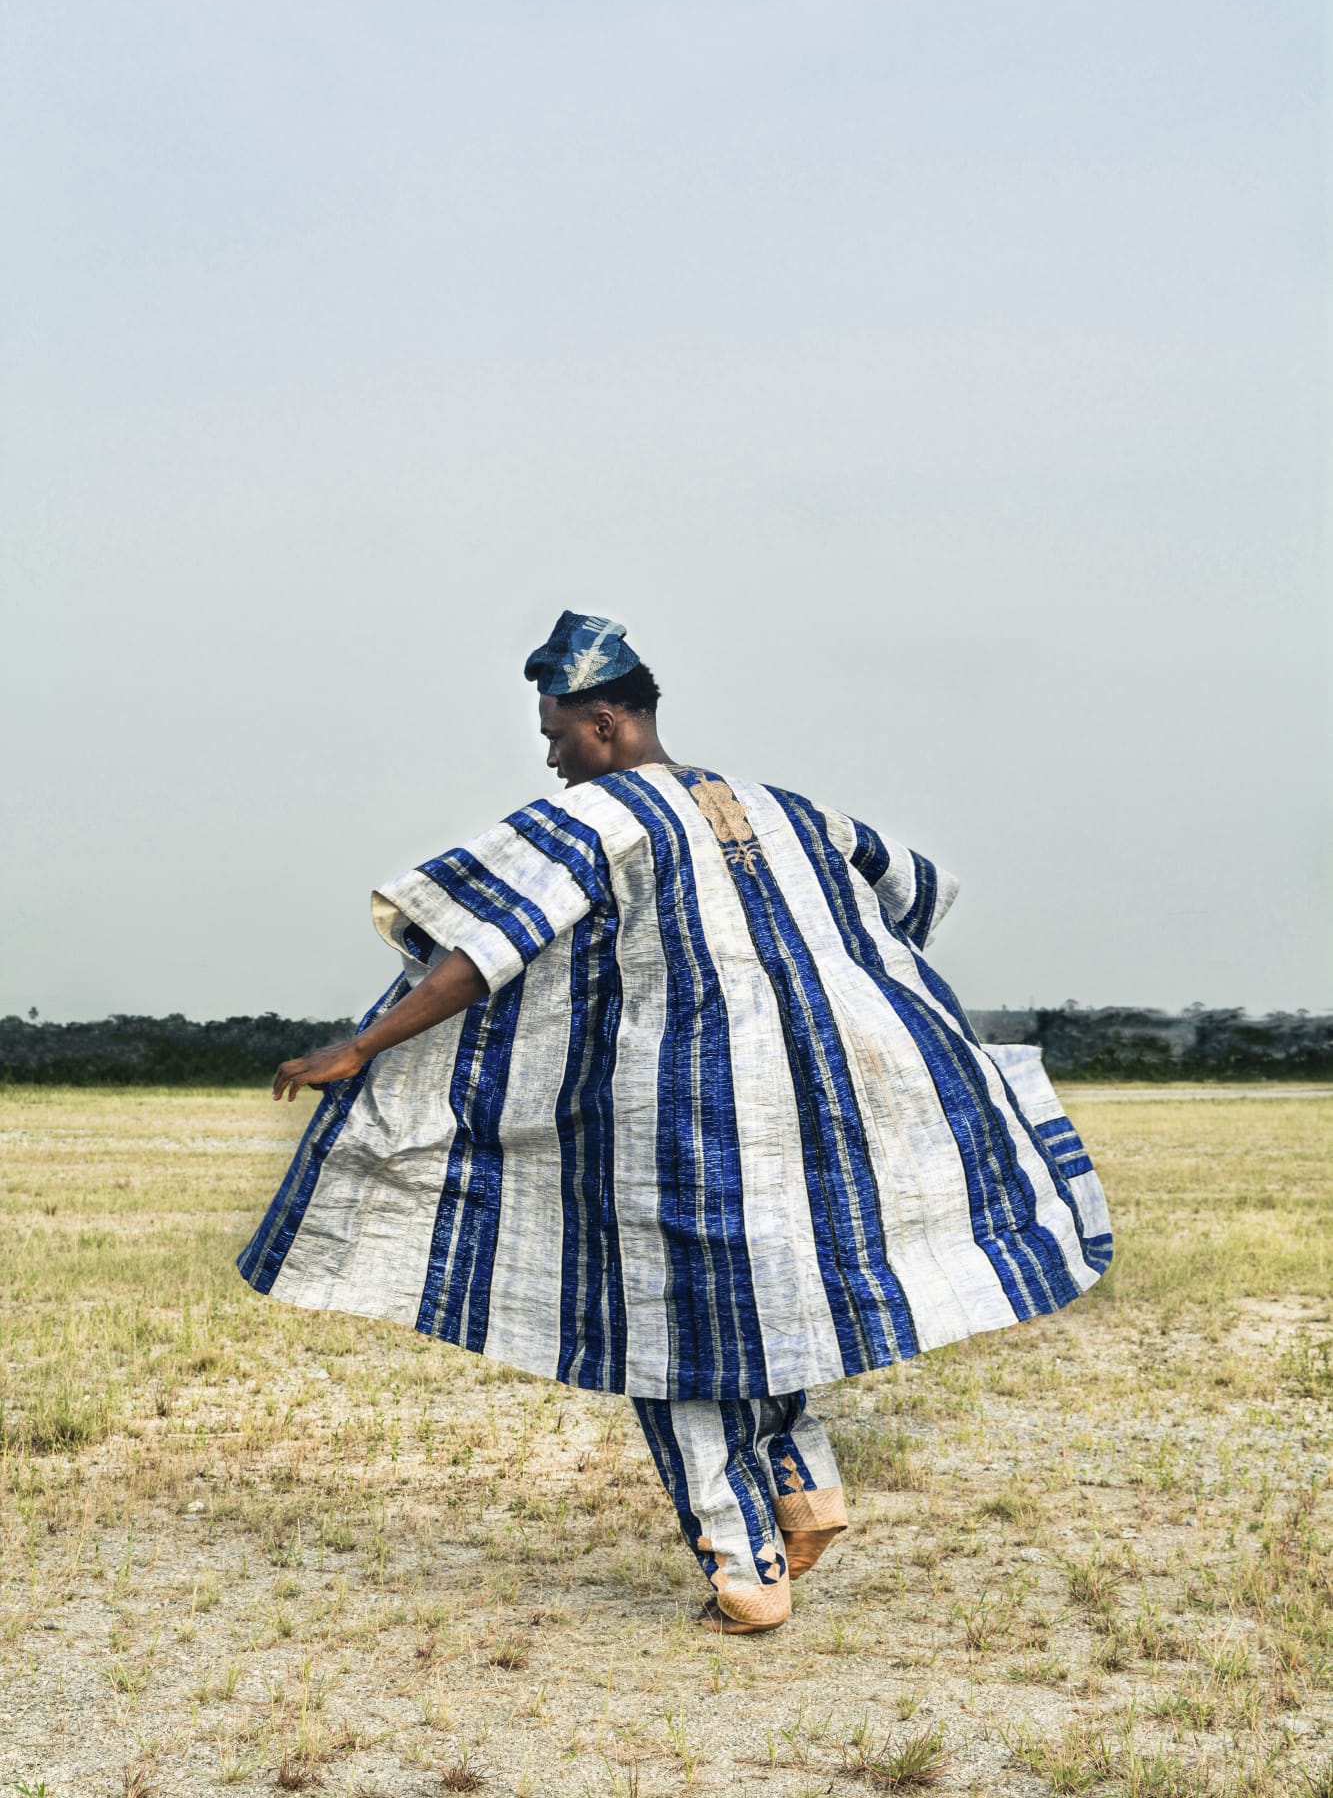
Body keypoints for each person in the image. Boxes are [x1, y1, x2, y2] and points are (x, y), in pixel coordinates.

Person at [241, 610, 1111, 1634]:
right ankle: (805, 1488)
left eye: (555, 731)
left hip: (685, 1119)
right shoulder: (785, 806)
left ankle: (744, 1572)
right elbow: (912, 891)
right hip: (808, 1116)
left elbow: (481, 947)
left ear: (605, 724)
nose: (550, 753)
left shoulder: (594, 819)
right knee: (759, 1311)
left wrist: (364, 1046)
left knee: (667, 1333)